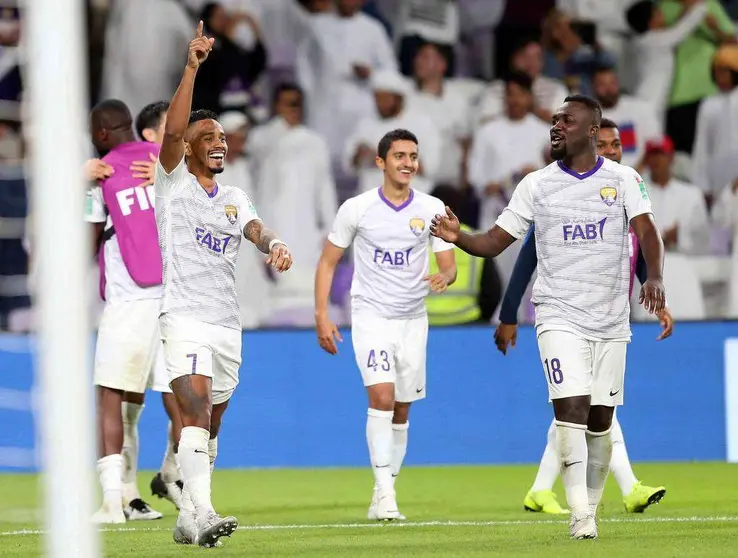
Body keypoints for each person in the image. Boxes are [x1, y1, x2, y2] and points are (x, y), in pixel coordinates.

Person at [430, 95, 667, 540]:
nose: (556, 126)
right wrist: (456, 236)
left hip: (612, 321)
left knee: (601, 421)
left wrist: (653, 278)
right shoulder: (536, 185)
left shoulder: (623, 179)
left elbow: (647, 231)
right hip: (557, 315)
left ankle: (590, 508)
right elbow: (495, 243)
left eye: (567, 121)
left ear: (592, 131)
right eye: (554, 120)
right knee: (571, 411)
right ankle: (580, 516)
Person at [154, 21, 292, 547]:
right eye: (206, 137)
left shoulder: (234, 195)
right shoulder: (172, 186)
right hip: (183, 316)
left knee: (209, 425)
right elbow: (170, 132)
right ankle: (206, 511)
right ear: (188, 151)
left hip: (225, 324)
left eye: (221, 137)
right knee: (193, 409)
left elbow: (254, 228)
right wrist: (192, 66)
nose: (218, 142)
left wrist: (273, 244)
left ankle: (188, 518)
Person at [495, 118, 672, 515]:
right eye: (603, 144)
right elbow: (527, 259)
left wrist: (657, 294)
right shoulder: (561, 195)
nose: (610, 151)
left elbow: (638, 251)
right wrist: (508, 314)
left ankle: (541, 489)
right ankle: (626, 489)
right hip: (564, 314)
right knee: (584, 409)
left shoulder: (623, 188)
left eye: (615, 145)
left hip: (607, 319)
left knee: (578, 412)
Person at [315, 128, 457, 521]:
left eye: (413, 155)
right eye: (399, 156)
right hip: (371, 316)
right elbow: (327, 262)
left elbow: (449, 263)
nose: (408, 162)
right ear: (381, 162)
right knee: (380, 397)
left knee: (402, 409)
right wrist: (322, 315)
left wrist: (445, 276)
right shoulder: (357, 209)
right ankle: (386, 492)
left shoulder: (432, 209)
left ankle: (384, 492)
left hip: (413, 320)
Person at [85, 99, 166, 524]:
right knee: (164, 397)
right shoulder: (167, 163)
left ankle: (112, 503)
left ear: (101, 135)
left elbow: (86, 241)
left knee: (110, 395)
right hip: (177, 298)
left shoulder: (100, 174)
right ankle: (176, 485)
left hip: (131, 298)